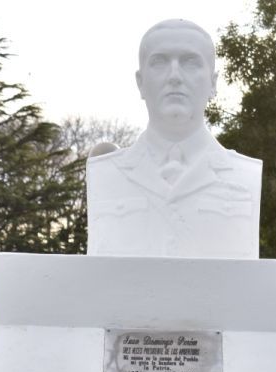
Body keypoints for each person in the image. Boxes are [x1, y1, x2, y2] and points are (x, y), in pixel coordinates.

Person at [86, 18, 262, 258]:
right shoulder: (105, 173)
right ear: (140, 83)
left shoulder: (245, 174)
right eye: (159, 62)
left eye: (190, 62)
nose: (175, 76)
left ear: (213, 83)